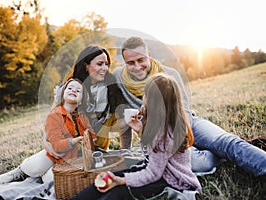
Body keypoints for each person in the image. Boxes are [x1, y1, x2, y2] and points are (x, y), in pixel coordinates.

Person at [113, 36, 266, 176]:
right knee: (201, 163)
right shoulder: (118, 78)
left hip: (186, 123)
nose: (137, 66)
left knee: (226, 141)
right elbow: (123, 117)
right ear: (124, 62)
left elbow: (184, 110)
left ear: (149, 56)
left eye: (141, 60)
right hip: (159, 139)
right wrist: (124, 151)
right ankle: (216, 154)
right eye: (131, 63)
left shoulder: (169, 74)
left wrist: (183, 140)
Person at [71, 73, 202, 200]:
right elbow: (151, 155)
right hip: (158, 170)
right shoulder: (163, 121)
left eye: (145, 95)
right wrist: (141, 131)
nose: (142, 98)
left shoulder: (164, 132)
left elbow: (153, 173)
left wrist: (121, 181)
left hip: (170, 180)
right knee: (110, 176)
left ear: (153, 102)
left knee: (117, 192)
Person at [0, 78, 96, 185]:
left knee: (51, 181)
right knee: (34, 167)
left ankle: (39, 177)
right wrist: (74, 141)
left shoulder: (82, 116)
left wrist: (92, 139)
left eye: (78, 91)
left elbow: (90, 133)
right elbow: (56, 144)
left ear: (80, 101)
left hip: (69, 157)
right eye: (70, 88)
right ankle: (21, 171)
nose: (73, 90)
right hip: (53, 154)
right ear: (62, 95)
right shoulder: (55, 115)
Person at [57, 45, 129, 150]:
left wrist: (126, 150)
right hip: (72, 148)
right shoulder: (70, 89)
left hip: (100, 150)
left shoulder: (111, 89)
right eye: (100, 64)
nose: (105, 68)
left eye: (106, 64)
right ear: (86, 66)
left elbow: (120, 124)